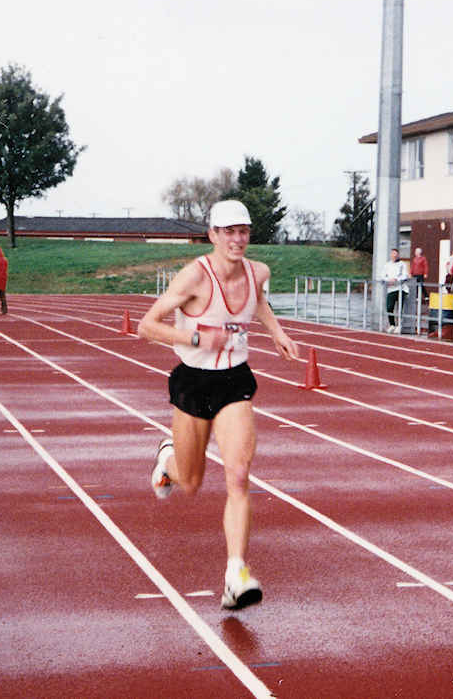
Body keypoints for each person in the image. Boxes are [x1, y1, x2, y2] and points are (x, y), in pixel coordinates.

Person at [137, 199, 299, 611]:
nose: (237, 239)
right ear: (212, 235)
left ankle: (236, 574)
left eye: (243, 231)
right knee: (190, 483)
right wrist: (196, 339)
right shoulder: (194, 277)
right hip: (193, 381)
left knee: (239, 475)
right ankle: (168, 460)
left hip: (234, 382)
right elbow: (146, 325)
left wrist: (276, 331)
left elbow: (258, 301)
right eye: (228, 231)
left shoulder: (257, 271)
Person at [382, 247, 408, 332]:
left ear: (398, 255)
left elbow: (405, 275)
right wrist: (388, 280)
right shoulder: (387, 265)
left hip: (401, 288)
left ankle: (399, 325)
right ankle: (392, 324)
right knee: (389, 307)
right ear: (390, 255)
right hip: (391, 289)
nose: (394, 256)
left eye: (396, 254)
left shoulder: (402, 264)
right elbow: (383, 275)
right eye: (393, 254)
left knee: (400, 308)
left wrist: (396, 279)